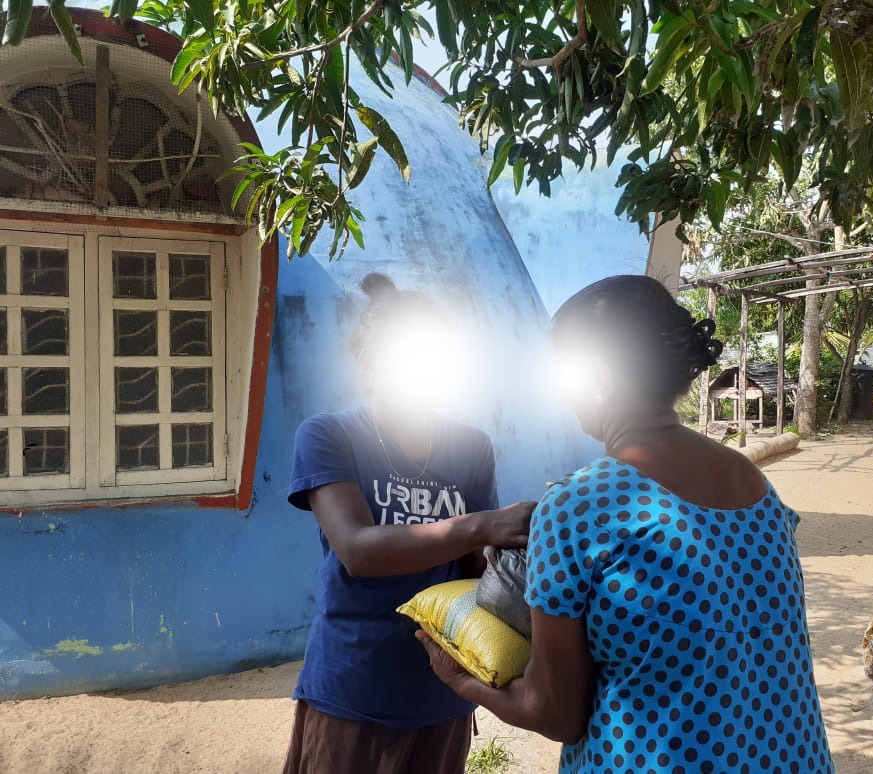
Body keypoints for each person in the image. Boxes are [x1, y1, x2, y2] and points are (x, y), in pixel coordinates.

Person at [418, 275, 834, 774]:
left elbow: (556, 713)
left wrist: (460, 680)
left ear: (596, 376)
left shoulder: (578, 507)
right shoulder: (753, 483)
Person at [284, 272, 534, 774]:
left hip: (444, 686)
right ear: (370, 363)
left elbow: (476, 568)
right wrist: (481, 525)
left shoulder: (471, 447)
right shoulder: (329, 436)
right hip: (354, 686)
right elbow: (358, 550)